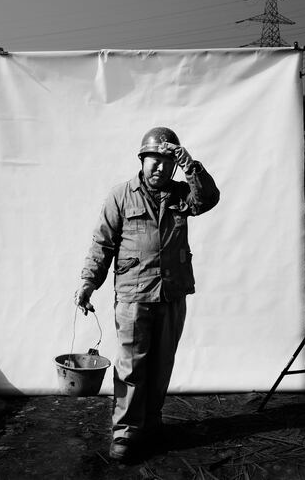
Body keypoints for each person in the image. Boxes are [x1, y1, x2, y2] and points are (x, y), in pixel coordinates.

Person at [74, 126, 220, 462]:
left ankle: (151, 423)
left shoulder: (182, 193)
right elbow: (102, 243)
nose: (160, 167)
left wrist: (191, 166)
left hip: (171, 294)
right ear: (142, 159)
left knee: (161, 363)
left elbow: (208, 199)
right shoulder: (121, 196)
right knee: (131, 366)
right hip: (133, 296)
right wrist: (88, 282)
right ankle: (125, 432)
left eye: (168, 162)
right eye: (155, 160)